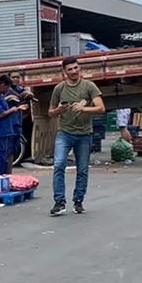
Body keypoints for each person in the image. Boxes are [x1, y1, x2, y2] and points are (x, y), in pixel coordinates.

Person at [47, 56, 105, 216]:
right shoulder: (59, 89)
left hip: (84, 134)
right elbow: (50, 112)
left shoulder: (89, 87)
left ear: (80, 68)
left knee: (83, 169)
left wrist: (83, 108)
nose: (73, 71)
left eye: (75, 68)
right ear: (64, 72)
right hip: (64, 133)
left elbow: (101, 108)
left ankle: (78, 201)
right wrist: (59, 110)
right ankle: (59, 202)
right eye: (70, 69)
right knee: (58, 165)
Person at [0, 75, 27, 176]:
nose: (8, 90)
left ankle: (3, 178)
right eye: (7, 87)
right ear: (2, 85)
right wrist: (14, 109)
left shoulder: (1, 97)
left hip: (6, 131)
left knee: (5, 157)